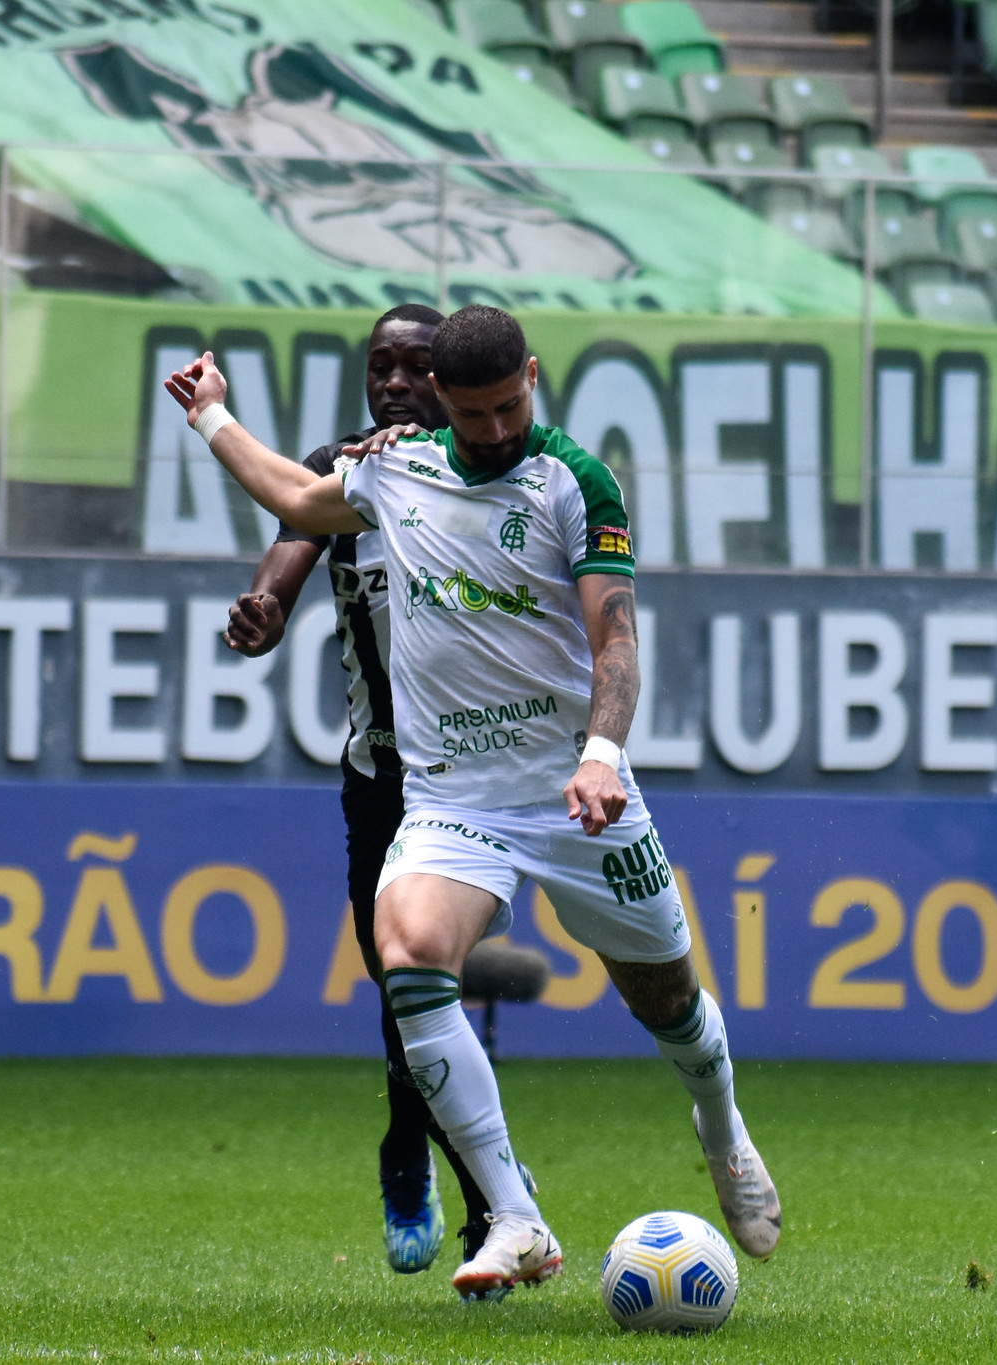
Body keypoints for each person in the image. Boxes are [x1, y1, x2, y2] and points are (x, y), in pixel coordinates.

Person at [168, 304, 780, 1301]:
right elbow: (295, 497)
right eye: (476, 411)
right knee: (406, 951)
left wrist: (602, 754)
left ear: (531, 379)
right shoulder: (395, 471)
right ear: (443, 402)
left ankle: (722, 1126)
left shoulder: (571, 481)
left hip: (576, 792)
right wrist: (212, 418)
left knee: (666, 1006)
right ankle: (516, 1217)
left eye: (511, 404)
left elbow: (615, 639)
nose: (495, 428)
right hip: (454, 799)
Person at [218, 302, 529, 1279]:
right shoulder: (348, 468)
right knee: (408, 997)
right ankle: (421, 1160)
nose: (394, 382)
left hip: (481, 781)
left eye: (415, 366)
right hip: (379, 783)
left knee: (426, 995)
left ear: (450, 379)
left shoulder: (488, 474)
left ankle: (485, 1210)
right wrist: (265, 605)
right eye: (379, 366)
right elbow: (294, 547)